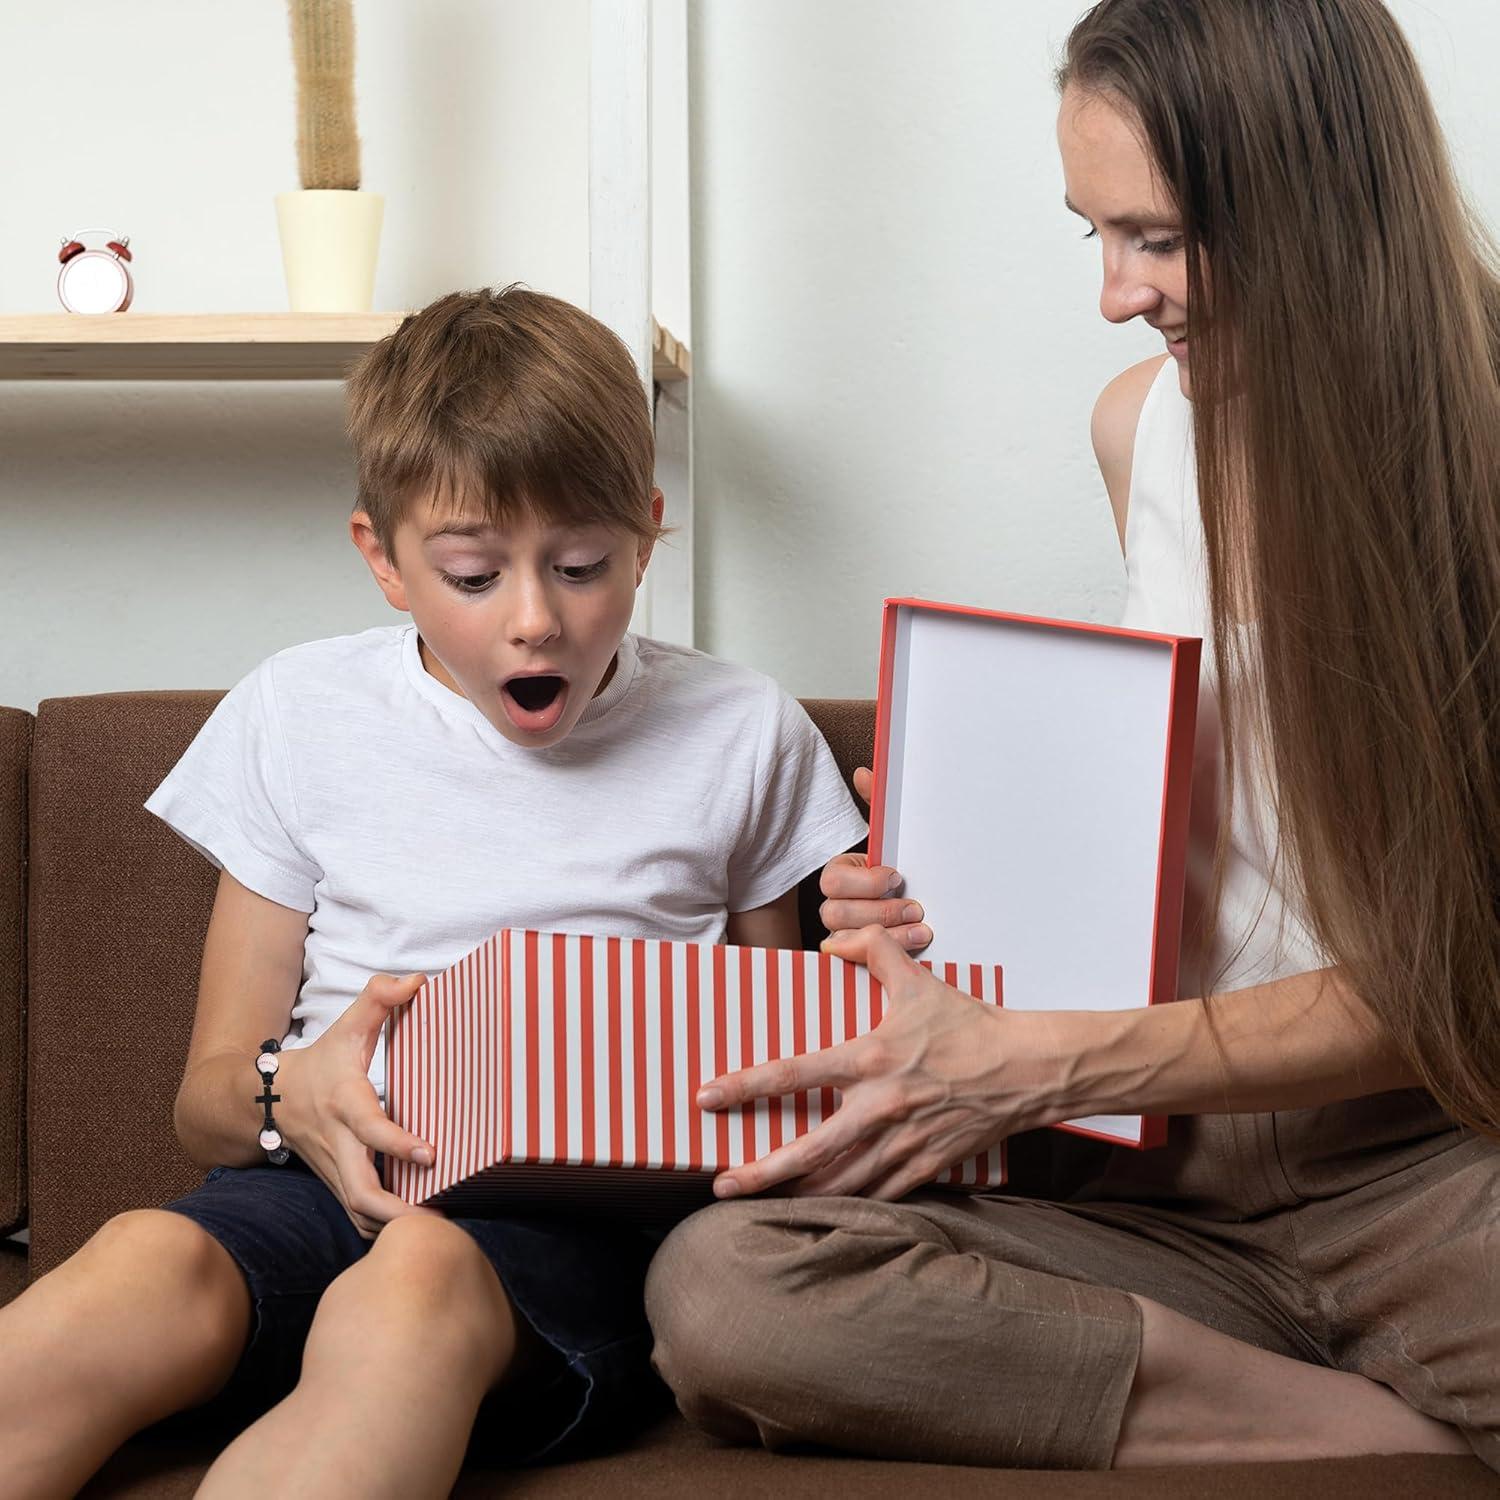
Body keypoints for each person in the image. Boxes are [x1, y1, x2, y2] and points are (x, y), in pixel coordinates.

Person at [646, 0, 1499, 1472]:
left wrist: (1046, 1058)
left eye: (1158, 239)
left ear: (1315, 200)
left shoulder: (1474, 447)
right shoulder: (1138, 428)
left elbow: (1458, 984)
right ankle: (1356, 1423)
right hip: (1160, 1177)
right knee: (727, 1289)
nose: (1117, 295)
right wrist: (941, 919)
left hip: (1426, 1164)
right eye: (1092, 235)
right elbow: (1193, 847)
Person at [0, 287, 868, 1499]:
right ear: (385, 560)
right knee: (140, 1261)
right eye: (472, 573)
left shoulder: (742, 731)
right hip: (312, 1191)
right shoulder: (299, 711)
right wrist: (286, 1091)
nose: (536, 622)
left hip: (564, 1254)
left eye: (582, 566)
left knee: (414, 1280)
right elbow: (206, 1099)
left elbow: (776, 1085)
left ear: (649, 533)